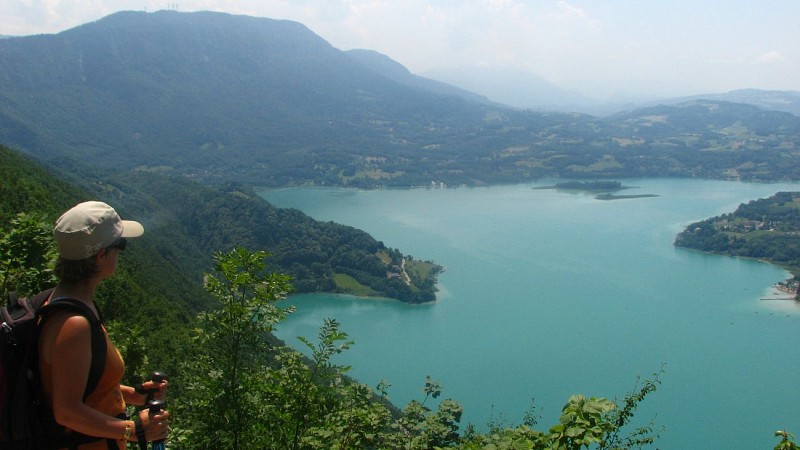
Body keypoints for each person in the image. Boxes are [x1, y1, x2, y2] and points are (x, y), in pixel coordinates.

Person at [37, 201, 169, 449]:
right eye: (120, 246)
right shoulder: (73, 324)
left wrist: (133, 395)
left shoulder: (61, 301)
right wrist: (135, 430)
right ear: (101, 255)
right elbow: (66, 411)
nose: (120, 253)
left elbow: (76, 381)